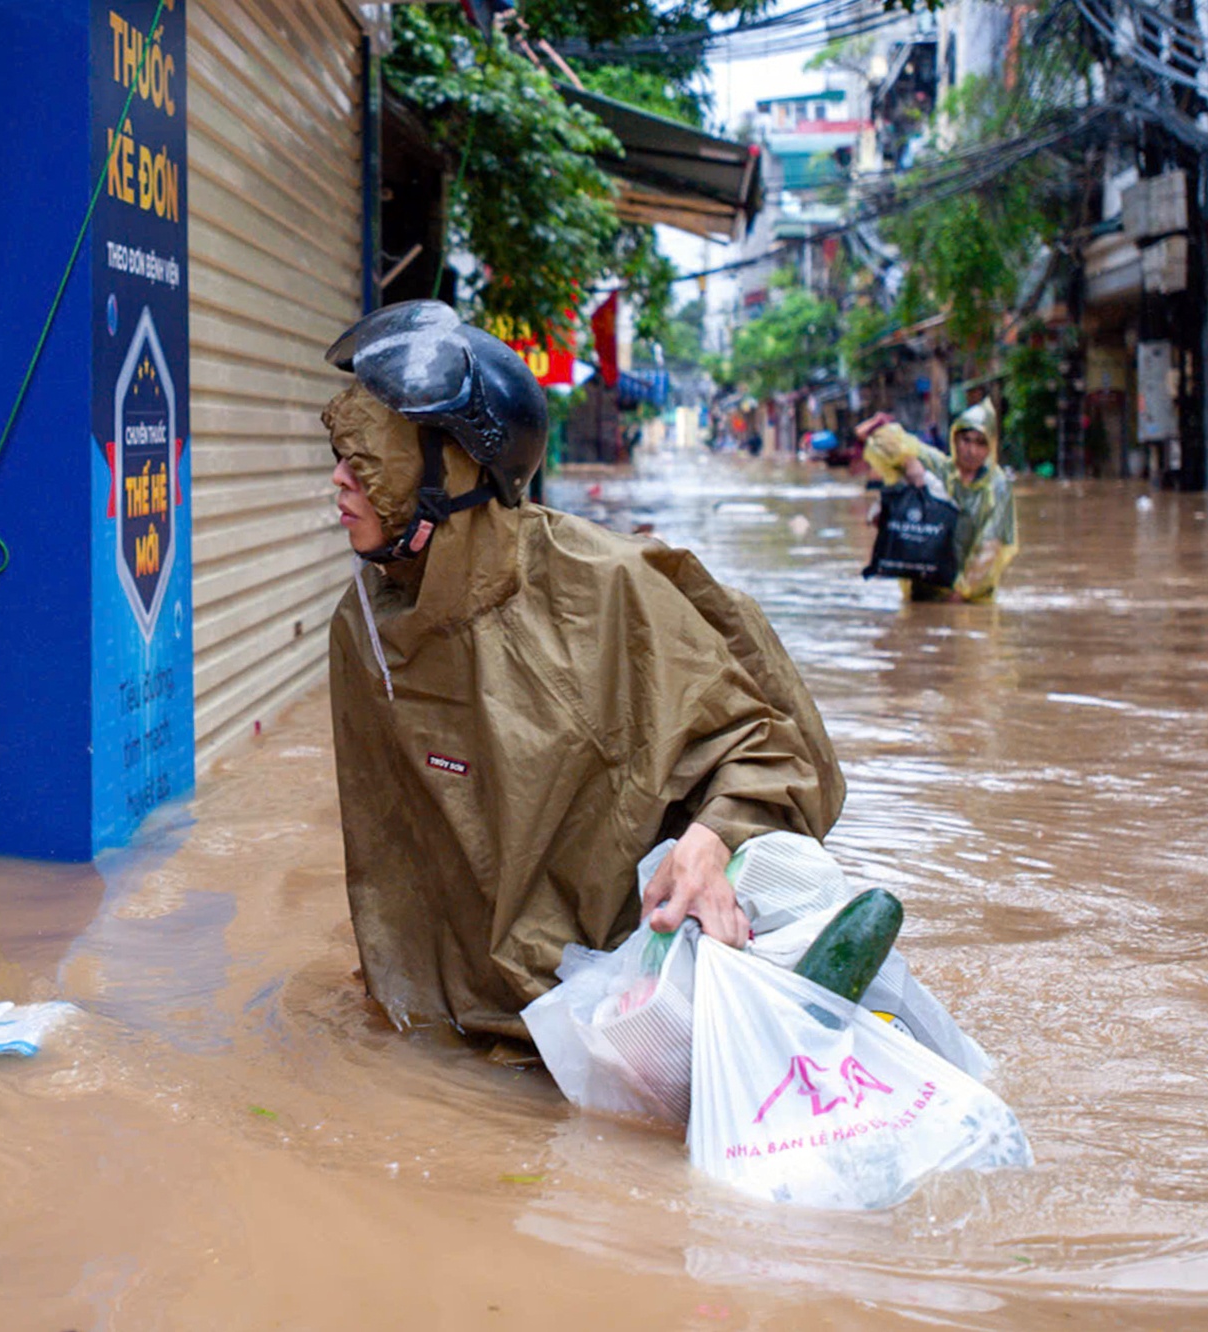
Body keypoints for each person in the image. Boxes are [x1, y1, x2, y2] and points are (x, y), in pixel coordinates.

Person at [321, 301, 845, 1040]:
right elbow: (395, 863)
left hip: (629, 1001)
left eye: (369, 460)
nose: (340, 481)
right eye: (340, 456)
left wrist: (711, 842)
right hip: (461, 1027)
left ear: (453, 473)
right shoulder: (367, 625)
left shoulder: (608, 590)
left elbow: (777, 756)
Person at [853, 401, 1019, 603]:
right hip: (922, 590)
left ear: (991, 446)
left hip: (971, 600)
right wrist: (909, 461)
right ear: (954, 438)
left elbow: (992, 545)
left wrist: (961, 592)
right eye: (966, 440)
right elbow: (877, 438)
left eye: (980, 443)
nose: (971, 450)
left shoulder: (996, 485)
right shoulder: (937, 467)